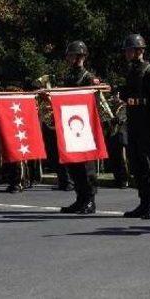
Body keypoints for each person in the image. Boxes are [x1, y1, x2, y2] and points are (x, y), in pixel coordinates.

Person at [122, 34, 150, 219]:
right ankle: (144, 202)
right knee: (138, 166)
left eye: (129, 50)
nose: (126, 53)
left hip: (148, 127)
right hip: (134, 125)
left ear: (138, 51)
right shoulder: (132, 72)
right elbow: (129, 96)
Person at [59, 41, 98, 215]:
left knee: (86, 165)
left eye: (71, 55)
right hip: (70, 124)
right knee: (73, 163)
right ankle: (80, 198)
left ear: (80, 56)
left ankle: (90, 199)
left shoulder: (88, 78)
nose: (68, 58)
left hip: (84, 125)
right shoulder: (68, 77)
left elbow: (95, 99)